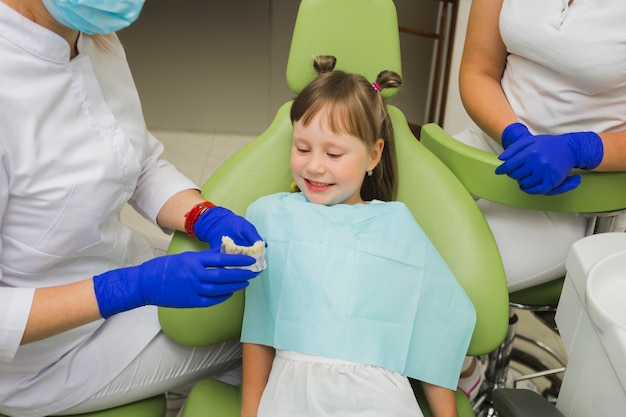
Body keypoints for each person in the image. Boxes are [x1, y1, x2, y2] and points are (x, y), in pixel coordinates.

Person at [0, 0, 265, 415]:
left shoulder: (94, 41)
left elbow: (136, 162)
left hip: (116, 266)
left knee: (267, 293)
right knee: (261, 329)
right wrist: (127, 288)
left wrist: (202, 215)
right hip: (42, 357)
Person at [238, 56, 476, 417]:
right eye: (302, 148)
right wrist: (250, 411)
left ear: (373, 155)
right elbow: (258, 328)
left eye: (333, 153)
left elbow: (438, 321)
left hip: (376, 396)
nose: (315, 165)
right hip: (292, 393)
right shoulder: (271, 218)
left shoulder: (396, 226)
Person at [453, 0, 626, 401]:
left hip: (571, 193)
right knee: (378, 235)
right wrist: (513, 134)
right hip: (485, 149)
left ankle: (465, 374)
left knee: (443, 281)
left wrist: (581, 148)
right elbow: (478, 70)